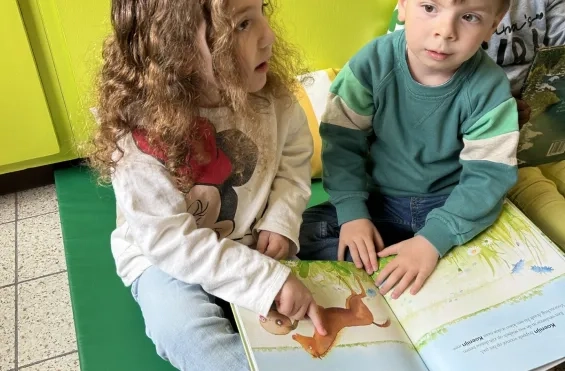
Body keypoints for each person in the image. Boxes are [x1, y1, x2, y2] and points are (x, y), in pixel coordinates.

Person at [88, 0, 325, 370]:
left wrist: (281, 220)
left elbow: (293, 161)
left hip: (252, 240)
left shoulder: (272, 97)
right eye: (242, 25)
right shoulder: (140, 134)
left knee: (310, 311)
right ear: (177, 50)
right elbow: (170, 242)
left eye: (262, 10)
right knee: (184, 332)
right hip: (165, 259)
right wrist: (266, 281)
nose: (269, 35)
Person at [299, 0, 519, 299]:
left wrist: (433, 239)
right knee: (296, 234)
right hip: (378, 202)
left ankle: (420, 260)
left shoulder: (489, 87)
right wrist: (353, 214)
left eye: (469, 17)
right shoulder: (372, 63)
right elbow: (342, 143)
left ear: (493, 23)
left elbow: (488, 176)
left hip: (447, 204)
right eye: (430, 8)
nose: (445, 32)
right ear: (402, 5)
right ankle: (396, 265)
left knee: (506, 247)